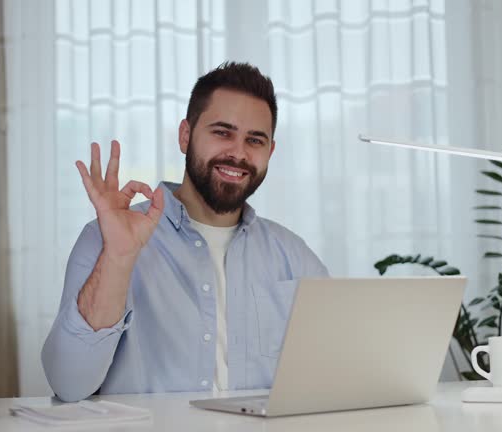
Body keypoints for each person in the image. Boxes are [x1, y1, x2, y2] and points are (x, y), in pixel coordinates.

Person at [42, 62, 329, 402]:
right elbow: (69, 384)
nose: (238, 153)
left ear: (270, 151)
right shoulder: (107, 238)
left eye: (254, 140)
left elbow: (335, 374)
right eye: (222, 132)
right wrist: (117, 258)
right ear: (185, 135)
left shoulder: (296, 257)